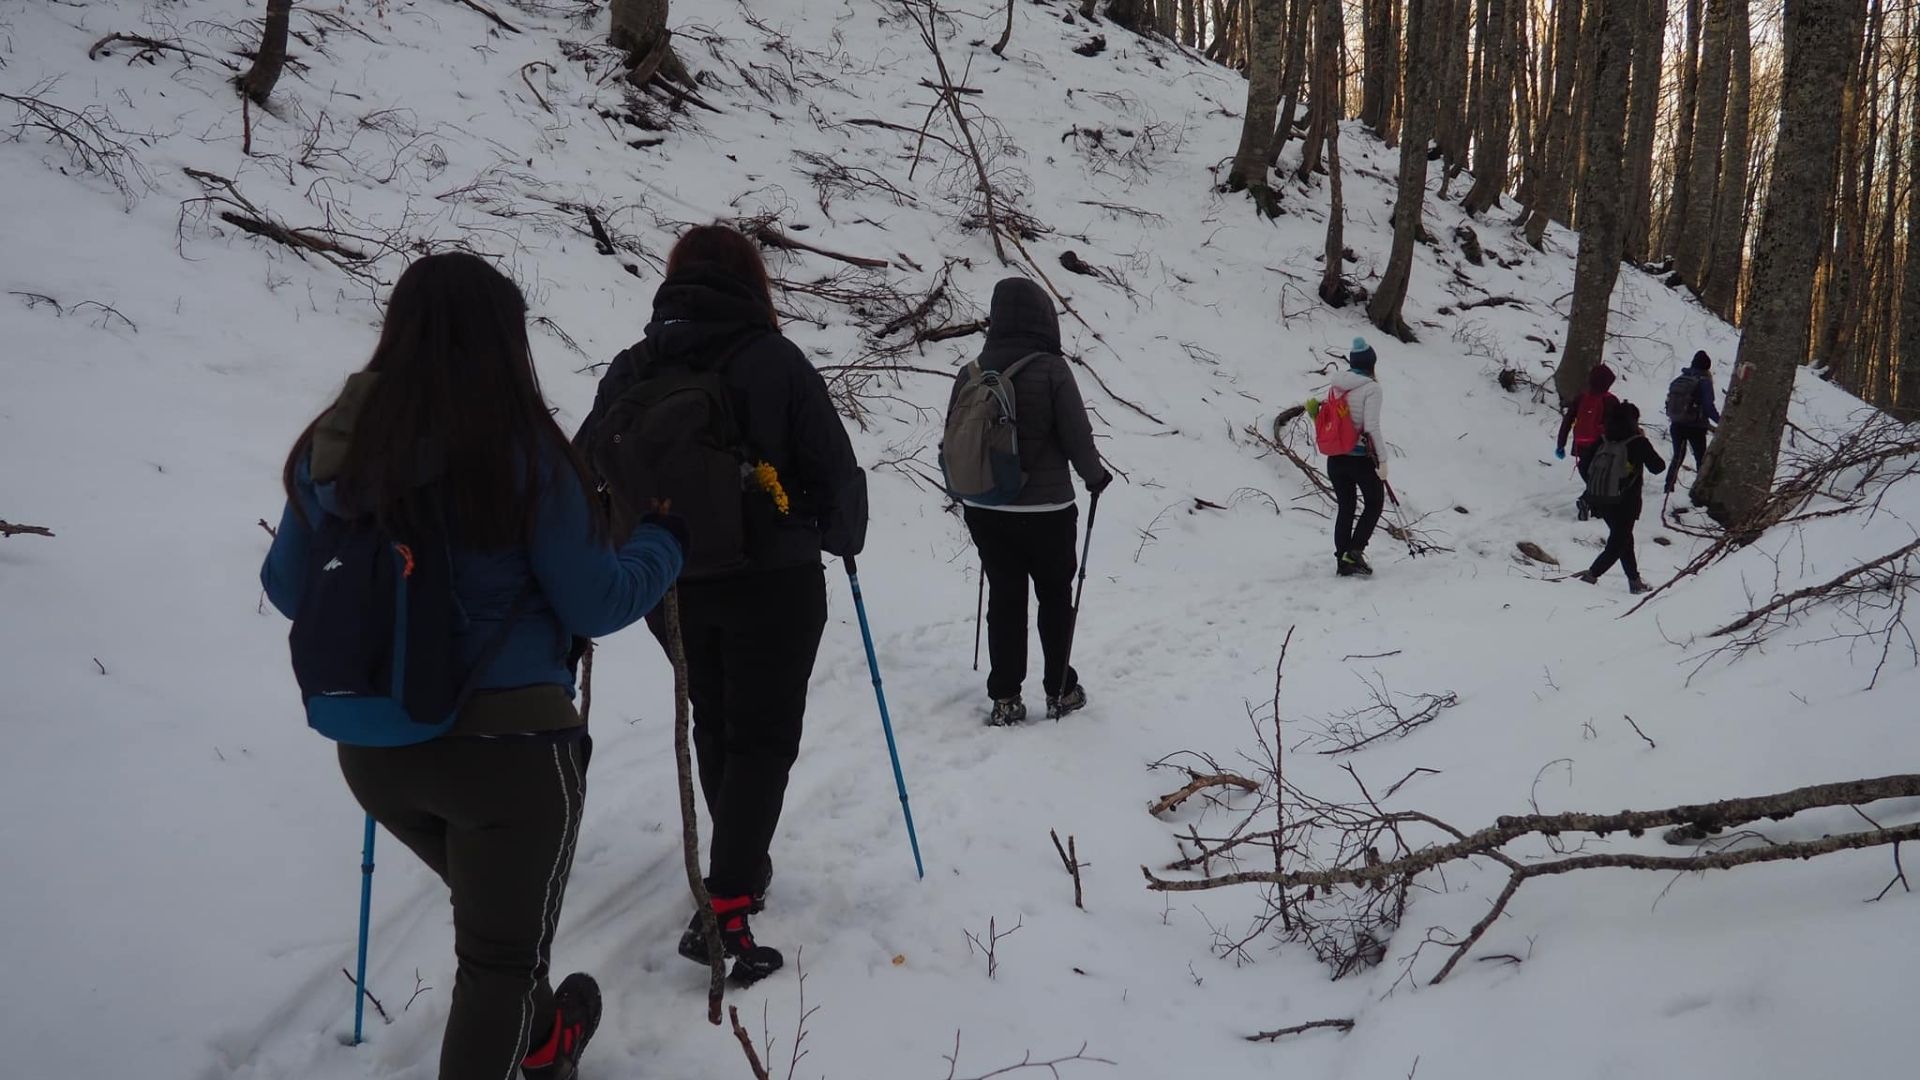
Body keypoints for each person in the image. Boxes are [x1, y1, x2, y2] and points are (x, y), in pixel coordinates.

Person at [260, 253, 685, 1080]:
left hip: (375, 752)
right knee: (497, 960)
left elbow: (287, 588)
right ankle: (529, 1038)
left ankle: (546, 1041)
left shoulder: (336, 447)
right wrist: (662, 542)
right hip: (512, 758)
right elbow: (597, 603)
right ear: (505, 341)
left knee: (503, 931)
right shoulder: (520, 450)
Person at [575, 224, 867, 984]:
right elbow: (834, 470)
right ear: (751, 283)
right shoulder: (774, 360)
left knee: (716, 717)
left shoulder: (634, 366)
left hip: (668, 580)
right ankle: (730, 895)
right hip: (774, 580)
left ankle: (739, 865)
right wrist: (843, 536)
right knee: (764, 737)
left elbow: (585, 466)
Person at [950, 277, 1112, 726]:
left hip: (986, 507)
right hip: (1048, 512)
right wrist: (1096, 478)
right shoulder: (1052, 369)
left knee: (1005, 597)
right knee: (1055, 597)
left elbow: (954, 439)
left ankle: (1005, 696)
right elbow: (1078, 438)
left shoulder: (972, 371)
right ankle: (1060, 689)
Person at [1574, 401, 1666, 594]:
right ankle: (1590, 577)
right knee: (1618, 543)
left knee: (1624, 540)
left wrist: (1597, 484)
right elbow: (1658, 467)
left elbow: (1583, 466)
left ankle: (1634, 581)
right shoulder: (1638, 442)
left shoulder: (1602, 439)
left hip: (1601, 499)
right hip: (1626, 502)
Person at [1325, 337, 1386, 577]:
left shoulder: (1337, 385)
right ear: (1371, 363)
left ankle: (1343, 559)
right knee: (1374, 502)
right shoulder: (1372, 388)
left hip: (1335, 456)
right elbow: (1371, 426)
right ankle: (1355, 551)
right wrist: (1382, 460)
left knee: (1346, 507)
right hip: (1359, 458)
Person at [1555, 363, 1620, 520]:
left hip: (1581, 445)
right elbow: (1618, 425)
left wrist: (1561, 444)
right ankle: (1587, 501)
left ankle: (1593, 505)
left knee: (1591, 477)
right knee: (1602, 479)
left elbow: (1568, 420)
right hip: (1601, 447)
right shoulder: (1611, 401)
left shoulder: (1581, 398)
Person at [1664, 351, 1721, 495]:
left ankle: (1668, 487)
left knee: (1678, 456)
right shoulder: (1704, 382)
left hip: (1677, 423)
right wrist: (1720, 421)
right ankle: (1700, 489)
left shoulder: (1681, 378)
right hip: (1696, 426)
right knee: (1701, 458)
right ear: (1707, 367)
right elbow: (1708, 406)